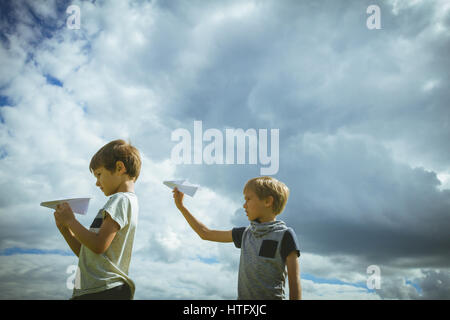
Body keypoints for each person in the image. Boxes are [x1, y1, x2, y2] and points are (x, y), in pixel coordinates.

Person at [172, 176, 301, 300]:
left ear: (268, 201)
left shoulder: (285, 235)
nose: (244, 205)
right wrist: (181, 207)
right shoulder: (244, 233)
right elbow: (205, 233)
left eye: (248, 199)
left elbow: (294, 283)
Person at [54, 139, 141, 300]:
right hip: (97, 290)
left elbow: (98, 245)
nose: (97, 183)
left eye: (99, 174)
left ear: (119, 168)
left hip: (104, 291)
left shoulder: (120, 200)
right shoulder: (126, 201)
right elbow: (87, 252)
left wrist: (71, 221)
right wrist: (65, 228)